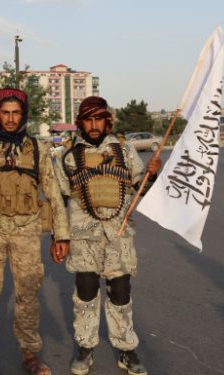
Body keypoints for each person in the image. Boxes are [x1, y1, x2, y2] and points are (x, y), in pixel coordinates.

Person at [0, 87, 70, 375]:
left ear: (24, 116)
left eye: (16, 113)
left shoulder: (39, 149)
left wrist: (60, 236)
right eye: (5, 113)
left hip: (25, 228)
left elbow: (54, 194)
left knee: (27, 294)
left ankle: (30, 354)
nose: (10, 119)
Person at [53, 96, 160, 375]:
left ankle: (126, 349)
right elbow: (59, 201)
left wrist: (152, 175)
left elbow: (141, 187)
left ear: (107, 120)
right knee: (86, 292)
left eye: (98, 118)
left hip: (119, 233)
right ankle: (85, 347)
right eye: (88, 119)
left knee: (121, 293)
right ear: (81, 122)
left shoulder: (124, 150)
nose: (94, 125)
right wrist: (60, 237)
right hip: (82, 236)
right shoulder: (68, 155)